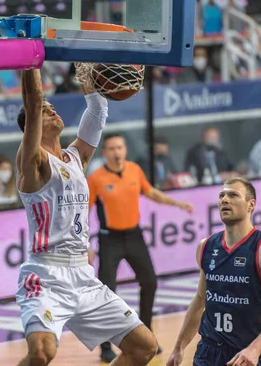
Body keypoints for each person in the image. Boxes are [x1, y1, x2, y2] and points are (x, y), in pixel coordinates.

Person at [15, 68, 158, 366]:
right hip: (46, 274)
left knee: (144, 347)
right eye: (44, 111)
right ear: (32, 125)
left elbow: (98, 108)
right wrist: (33, 59)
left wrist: (85, 75)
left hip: (82, 274)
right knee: (42, 353)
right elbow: (32, 98)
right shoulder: (34, 162)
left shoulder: (75, 156)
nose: (51, 110)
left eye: (52, 107)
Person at [87, 133, 194, 363]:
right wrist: (85, 245)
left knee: (150, 282)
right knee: (107, 292)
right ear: (104, 152)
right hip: (110, 239)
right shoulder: (95, 178)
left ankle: (147, 337)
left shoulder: (135, 169)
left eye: (120, 147)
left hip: (134, 235)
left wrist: (177, 203)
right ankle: (106, 346)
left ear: (125, 150)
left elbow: (151, 192)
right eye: (112, 148)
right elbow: (83, 212)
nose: (116, 152)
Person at [166, 178, 261, 366]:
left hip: (247, 355)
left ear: (251, 205)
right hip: (207, 353)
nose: (225, 200)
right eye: (222, 195)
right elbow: (201, 299)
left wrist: (255, 349)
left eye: (233, 195)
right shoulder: (206, 246)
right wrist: (179, 347)